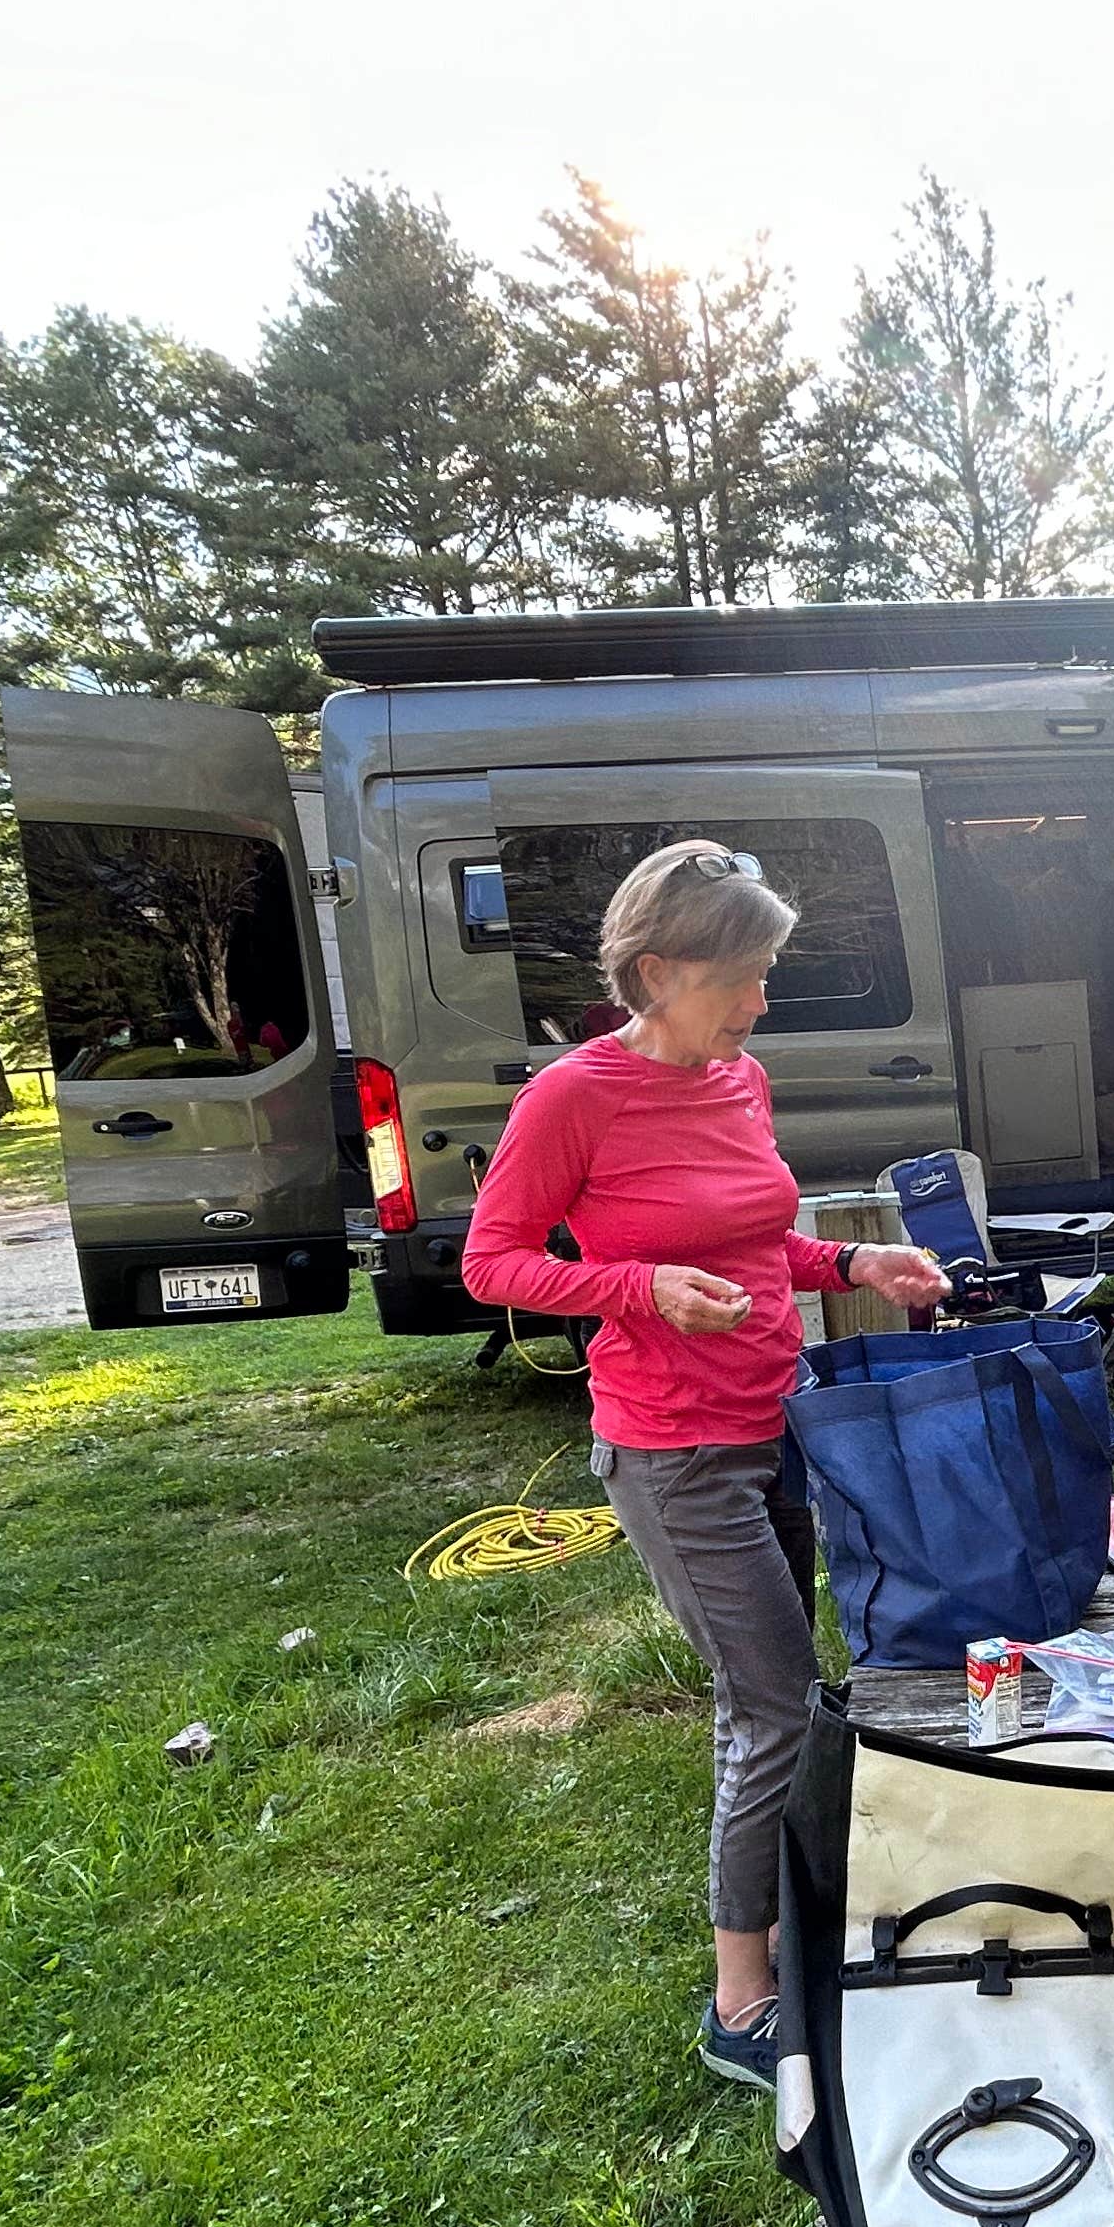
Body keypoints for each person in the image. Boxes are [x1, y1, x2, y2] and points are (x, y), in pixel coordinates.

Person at [458, 840, 950, 2086]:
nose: (761, 998)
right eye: (743, 973)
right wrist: (636, 1288)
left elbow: (754, 1234)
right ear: (660, 969)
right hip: (674, 1452)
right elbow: (493, 1260)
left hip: (778, 1418)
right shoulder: (572, 1100)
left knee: (788, 1689)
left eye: (766, 970)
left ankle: (800, 1915)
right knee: (772, 1700)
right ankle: (741, 1998)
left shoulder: (740, 1077)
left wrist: (852, 1265)